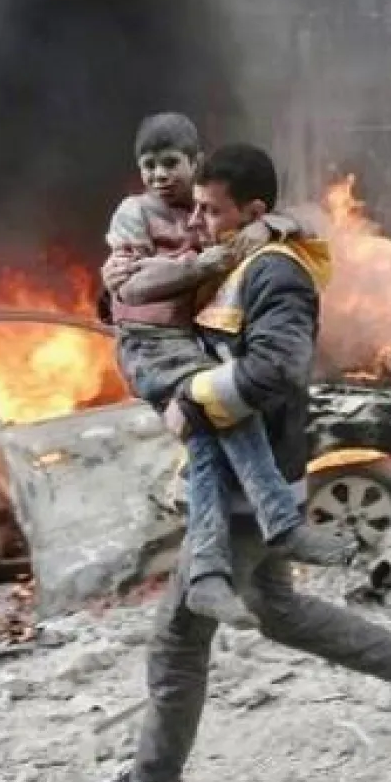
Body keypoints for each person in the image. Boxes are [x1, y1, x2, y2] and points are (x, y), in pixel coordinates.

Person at [79, 143, 391, 782]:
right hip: (244, 471)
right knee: (277, 607)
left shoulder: (275, 275)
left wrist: (192, 405)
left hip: (254, 487)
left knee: (178, 636)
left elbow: (275, 368)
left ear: (252, 210)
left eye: (213, 209)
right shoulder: (237, 257)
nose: (200, 218)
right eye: (196, 206)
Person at [104, 114, 356, 631]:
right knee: (261, 610)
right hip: (163, 357)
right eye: (147, 165)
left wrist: (267, 227)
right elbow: (126, 288)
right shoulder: (153, 219)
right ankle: (260, 540)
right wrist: (195, 266)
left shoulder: (264, 260)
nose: (158, 175)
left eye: (168, 163)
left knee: (250, 616)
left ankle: (212, 574)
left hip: (250, 448)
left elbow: (274, 366)